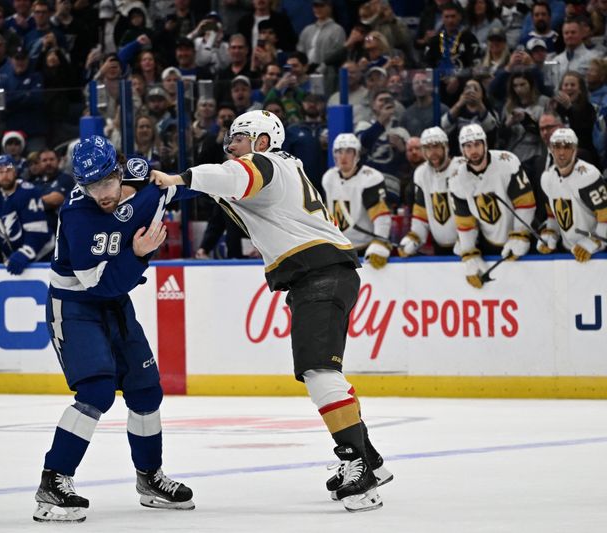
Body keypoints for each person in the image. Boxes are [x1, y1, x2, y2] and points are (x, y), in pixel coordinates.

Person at [151, 110, 391, 513]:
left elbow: (225, 178)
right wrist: (161, 187)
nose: (231, 144)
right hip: (321, 274)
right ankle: (371, 461)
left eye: (240, 137)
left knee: (320, 372)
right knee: (322, 372)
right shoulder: (271, 169)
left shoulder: (264, 164)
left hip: (320, 274)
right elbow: (217, 186)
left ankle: (358, 467)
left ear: (263, 141)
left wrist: (175, 178)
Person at [36, 135, 195, 522]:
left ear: (118, 171)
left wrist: (231, 179)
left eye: (106, 183)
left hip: (114, 304)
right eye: (90, 186)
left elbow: (181, 190)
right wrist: (139, 255)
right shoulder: (77, 215)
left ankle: (150, 477)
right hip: (74, 304)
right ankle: (53, 482)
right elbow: (98, 283)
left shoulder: (142, 184)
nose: (101, 194)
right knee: (96, 390)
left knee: (145, 391)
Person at [448, 124, 537, 288]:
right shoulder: (456, 180)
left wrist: (520, 235)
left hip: (521, 242)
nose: (473, 150)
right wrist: (469, 255)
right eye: (468, 146)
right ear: (462, 150)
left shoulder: (507, 162)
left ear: (485, 144)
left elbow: (525, 203)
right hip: (488, 245)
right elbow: (465, 222)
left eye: (477, 144)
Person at [0, 155, 54, 276]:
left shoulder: (28, 192)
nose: (5, 175)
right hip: (16, 258)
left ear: (15, 172)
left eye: (8, 170)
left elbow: (37, 233)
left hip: (44, 256)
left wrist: (24, 253)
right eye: (0, 171)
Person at [321, 133, 392, 269]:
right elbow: (327, 214)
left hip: (365, 248)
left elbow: (381, 216)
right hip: (338, 249)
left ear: (357, 155)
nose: (343, 156)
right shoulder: (329, 178)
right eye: (339, 152)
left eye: (349, 151)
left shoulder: (370, 178)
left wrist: (379, 243)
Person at [537, 128, 607, 261]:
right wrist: (551, 233)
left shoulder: (588, 176)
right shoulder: (547, 178)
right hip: (566, 252)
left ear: (575, 149)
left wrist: (596, 241)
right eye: (557, 147)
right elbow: (554, 214)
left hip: (597, 255)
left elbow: (605, 214)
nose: (562, 152)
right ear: (551, 149)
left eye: (567, 147)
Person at [399, 127, 465, 257]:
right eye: (428, 148)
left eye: (436, 147)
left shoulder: (463, 167)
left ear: (446, 147)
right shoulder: (421, 173)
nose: (432, 153)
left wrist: (469, 239)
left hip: (470, 246)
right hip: (439, 247)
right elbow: (421, 213)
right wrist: (415, 237)